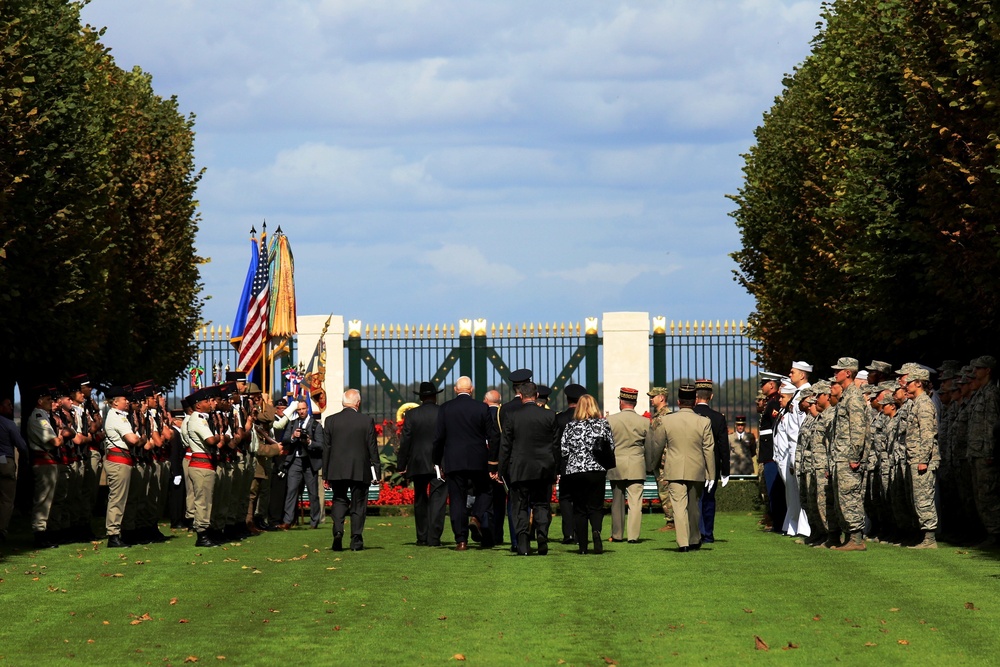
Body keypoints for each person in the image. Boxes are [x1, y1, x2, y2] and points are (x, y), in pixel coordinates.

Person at [646, 384, 715, 552]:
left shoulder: (667, 420)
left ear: (678, 401)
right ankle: (694, 538)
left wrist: (651, 465)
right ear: (694, 401)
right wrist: (711, 474)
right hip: (697, 468)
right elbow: (709, 449)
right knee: (693, 505)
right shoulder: (704, 421)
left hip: (674, 467)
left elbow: (658, 445)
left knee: (678, 506)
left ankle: (683, 542)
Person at [433, 376, 498, 551]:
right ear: (472, 390)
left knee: (457, 499)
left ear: (455, 389)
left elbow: (439, 438)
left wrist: (437, 462)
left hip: (453, 460)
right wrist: (493, 461)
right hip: (478, 459)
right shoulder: (482, 408)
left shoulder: (446, 408)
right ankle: (476, 516)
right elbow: (492, 436)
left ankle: (461, 540)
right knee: (486, 490)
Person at [497, 381, 560, 555]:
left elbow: (505, 446)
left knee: (520, 506)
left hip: (520, 468)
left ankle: (523, 543)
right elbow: (556, 446)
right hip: (543, 467)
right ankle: (541, 534)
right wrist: (556, 469)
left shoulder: (512, 416)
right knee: (541, 504)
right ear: (537, 395)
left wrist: (501, 470)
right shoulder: (549, 416)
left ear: (521, 395)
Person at [322, 389, 380, 551]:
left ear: (343, 402)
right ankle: (356, 539)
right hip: (359, 469)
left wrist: (325, 474)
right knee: (359, 504)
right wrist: (376, 470)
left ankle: (338, 530)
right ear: (358, 403)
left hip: (337, 469)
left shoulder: (330, 421)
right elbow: (372, 448)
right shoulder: (366, 421)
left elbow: (326, 449)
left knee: (339, 500)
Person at [560, 394, 613, 554]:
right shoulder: (603, 424)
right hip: (596, 470)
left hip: (575, 471)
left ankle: (583, 546)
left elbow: (563, 450)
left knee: (579, 509)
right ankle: (596, 531)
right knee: (596, 506)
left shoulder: (571, 426)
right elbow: (611, 446)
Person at [398, 382, 447, 547]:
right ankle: (434, 537)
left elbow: (405, 441)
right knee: (438, 500)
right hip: (439, 462)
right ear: (435, 396)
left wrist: (401, 463)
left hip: (418, 461)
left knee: (420, 499)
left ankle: (422, 536)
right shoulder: (442, 412)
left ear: (421, 397)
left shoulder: (412, 415)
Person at [181, 386, 228, 547]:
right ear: (198, 405)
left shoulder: (202, 418)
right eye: (206, 401)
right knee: (202, 501)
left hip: (206, 464)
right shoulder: (197, 419)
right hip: (201, 464)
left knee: (207, 500)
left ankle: (206, 531)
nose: (210, 403)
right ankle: (201, 534)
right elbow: (211, 441)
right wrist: (219, 436)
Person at [829, 357, 868, 551]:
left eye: (838, 371)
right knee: (842, 497)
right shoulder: (846, 396)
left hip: (847, 456)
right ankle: (849, 536)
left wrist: (854, 455)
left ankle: (856, 538)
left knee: (850, 496)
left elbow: (858, 428)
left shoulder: (853, 397)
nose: (835, 374)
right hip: (841, 455)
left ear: (848, 373)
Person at [103, 385, 147, 548]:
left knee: (125, 499)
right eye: (124, 399)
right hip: (118, 461)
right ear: (115, 402)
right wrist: (142, 439)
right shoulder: (117, 417)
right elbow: (133, 440)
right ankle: (113, 534)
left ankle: (124, 531)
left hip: (124, 460)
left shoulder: (120, 416)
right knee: (117, 499)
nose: (127, 402)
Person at [606, 387, 647, 544]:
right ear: (634, 403)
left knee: (617, 501)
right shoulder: (644, 421)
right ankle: (633, 536)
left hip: (616, 463)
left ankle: (617, 534)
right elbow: (648, 445)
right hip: (636, 463)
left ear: (621, 402)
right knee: (636, 503)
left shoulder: (610, 420)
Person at [904, 368, 940, 548]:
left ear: (919, 383)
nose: (905, 385)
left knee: (924, 498)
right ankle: (924, 535)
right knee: (918, 498)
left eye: (909, 382)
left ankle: (929, 538)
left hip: (922, 460)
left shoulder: (924, 404)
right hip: (916, 458)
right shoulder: (917, 403)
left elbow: (927, 435)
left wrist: (923, 460)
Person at [279, 399, 325, 530]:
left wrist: (309, 442)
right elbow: (285, 439)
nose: (301, 412)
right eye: (298, 410)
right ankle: (287, 521)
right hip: (295, 461)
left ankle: (314, 521)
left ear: (307, 409)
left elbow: (321, 445)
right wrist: (294, 436)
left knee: (313, 493)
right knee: (291, 490)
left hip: (310, 462)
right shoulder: (293, 424)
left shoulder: (315, 425)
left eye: (303, 409)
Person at [694, 378, 730, 543]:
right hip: (712, 465)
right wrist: (726, 470)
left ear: (696, 395)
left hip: (692, 464)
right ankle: (707, 533)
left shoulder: (690, 415)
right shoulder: (717, 418)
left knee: (693, 500)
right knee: (708, 500)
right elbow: (724, 447)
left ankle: (694, 532)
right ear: (711, 396)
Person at [555, 383, 586, 545]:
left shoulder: (559, 418)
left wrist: (557, 468)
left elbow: (556, 445)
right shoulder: (586, 419)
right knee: (581, 499)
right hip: (583, 465)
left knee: (566, 499)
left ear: (567, 400)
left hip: (566, 465)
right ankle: (580, 532)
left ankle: (568, 533)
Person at [644, 387, 674, 530]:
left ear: (661, 398)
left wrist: (653, 462)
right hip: (664, 460)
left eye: (653, 396)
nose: (651, 399)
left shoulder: (663, 416)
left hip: (663, 461)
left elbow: (659, 443)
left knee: (665, 491)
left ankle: (671, 522)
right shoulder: (661, 415)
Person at [0, 394, 28, 544]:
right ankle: (2, 529)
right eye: (8, 405)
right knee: (6, 499)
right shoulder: (9, 424)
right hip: (5, 462)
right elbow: (21, 445)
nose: (11, 407)